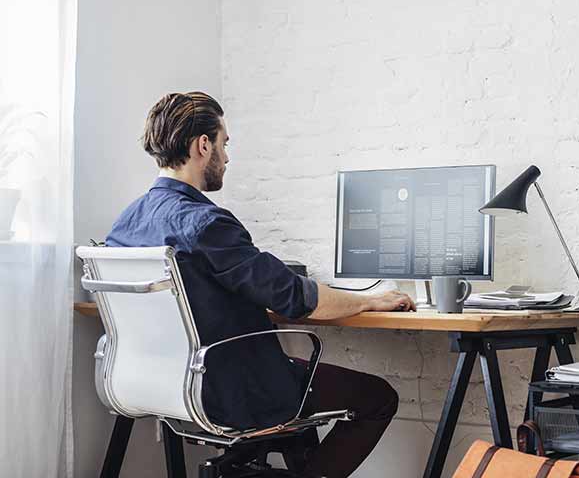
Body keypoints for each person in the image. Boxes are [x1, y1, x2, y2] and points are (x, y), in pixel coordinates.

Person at [106, 91, 415, 478]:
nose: (227, 156)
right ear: (203, 145)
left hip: (162, 384)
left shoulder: (126, 222)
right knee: (378, 397)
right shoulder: (206, 223)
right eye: (225, 143)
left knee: (294, 403)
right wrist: (371, 300)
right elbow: (295, 299)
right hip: (229, 389)